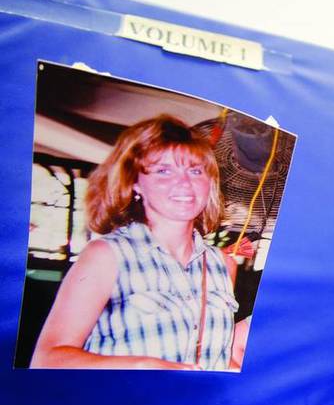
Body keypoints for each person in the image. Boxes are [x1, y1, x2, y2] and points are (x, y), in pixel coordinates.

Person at [31, 114, 242, 370]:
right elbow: (47, 359)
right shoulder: (107, 255)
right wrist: (143, 365)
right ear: (135, 184)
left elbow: (217, 357)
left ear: (210, 182)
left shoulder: (223, 264)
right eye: (164, 170)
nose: (185, 183)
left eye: (196, 170)